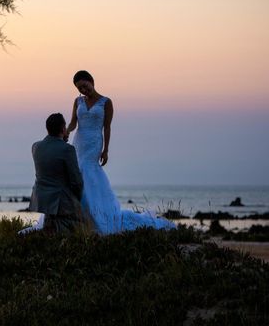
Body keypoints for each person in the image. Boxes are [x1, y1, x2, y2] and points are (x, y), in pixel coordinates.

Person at [67, 70, 175, 234]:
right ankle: (79, 217)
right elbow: (73, 123)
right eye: (79, 88)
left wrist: (106, 150)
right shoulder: (78, 101)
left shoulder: (106, 102)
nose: (83, 90)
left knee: (88, 172)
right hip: (79, 142)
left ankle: (97, 218)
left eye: (84, 85)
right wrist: (66, 132)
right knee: (78, 173)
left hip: (94, 143)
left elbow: (107, 127)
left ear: (91, 81)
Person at [25, 113, 85, 234]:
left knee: (51, 229)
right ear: (63, 129)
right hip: (61, 201)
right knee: (83, 225)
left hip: (41, 199)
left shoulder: (35, 147)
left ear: (47, 129)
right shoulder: (67, 149)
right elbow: (76, 182)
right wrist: (78, 198)